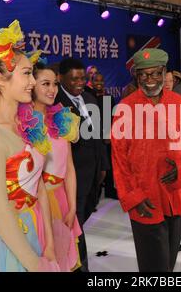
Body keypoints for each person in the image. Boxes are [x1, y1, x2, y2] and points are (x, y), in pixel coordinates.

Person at [0, 20, 59, 272]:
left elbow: (38, 184)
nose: (33, 81)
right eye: (27, 73)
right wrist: (35, 264)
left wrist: (49, 242)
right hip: (3, 239)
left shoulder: (25, 122)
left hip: (34, 224)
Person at [111, 48, 181, 272]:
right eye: (143, 75)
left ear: (165, 73)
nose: (150, 80)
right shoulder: (125, 107)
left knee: (169, 263)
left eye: (155, 74)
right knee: (153, 267)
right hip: (144, 200)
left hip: (175, 196)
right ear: (136, 77)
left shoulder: (179, 103)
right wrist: (133, 198)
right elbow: (119, 158)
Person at [54, 58, 107, 272]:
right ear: (60, 78)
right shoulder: (55, 104)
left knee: (80, 222)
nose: (79, 83)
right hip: (71, 178)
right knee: (74, 226)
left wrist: (103, 166)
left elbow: (99, 135)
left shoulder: (90, 98)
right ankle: (79, 266)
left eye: (82, 78)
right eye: (74, 79)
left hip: (93, 174)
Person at [32, 61, 82, 271]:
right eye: (45, 84)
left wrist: (72, 207)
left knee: (64, 261)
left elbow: (69, 168)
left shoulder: (62, 119)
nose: (52, 89)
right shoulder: (22, 124)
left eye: (54, 84)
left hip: (61, 200)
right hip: (36, 203)